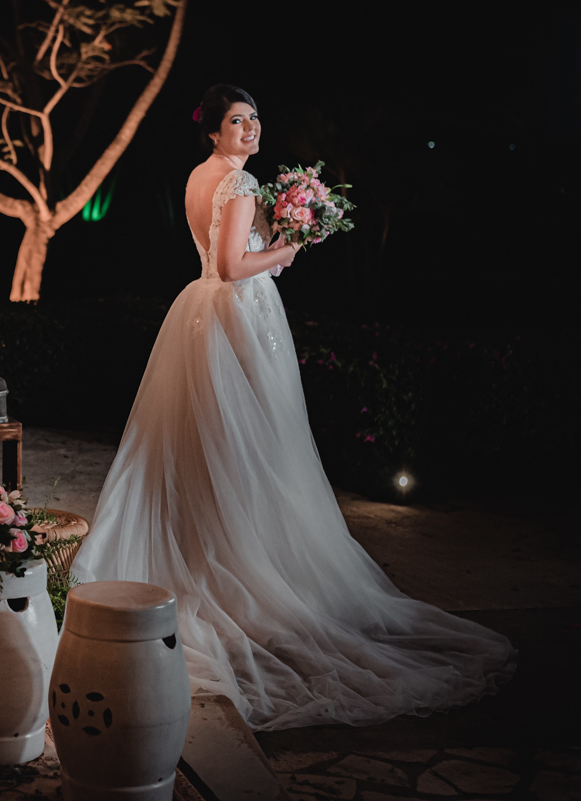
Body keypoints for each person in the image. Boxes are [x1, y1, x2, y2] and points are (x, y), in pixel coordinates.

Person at [70, 84, 515, 731]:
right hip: (234, 316)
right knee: (255, 446)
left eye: (254, 119)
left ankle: (212, 564)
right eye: (236, 121)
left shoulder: (200, 178)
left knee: (203, 449)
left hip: (194, 314)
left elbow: (210, 261)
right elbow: (230, 266)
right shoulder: (240, 184)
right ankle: (251, 572)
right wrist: (288, 249)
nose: (250, 129)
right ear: (214, 132)